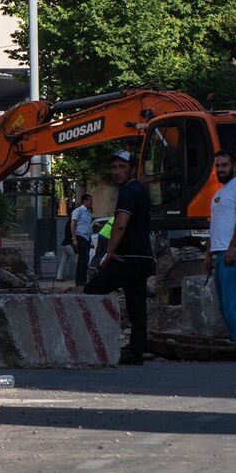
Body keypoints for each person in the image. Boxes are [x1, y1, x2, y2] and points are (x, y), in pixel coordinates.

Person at [85, 150, 153, 365]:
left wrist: (110, 252)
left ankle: (97, 344)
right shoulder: (140, 190)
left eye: (122, 167)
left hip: (126, 257)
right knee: (136, 305)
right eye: (114, 167)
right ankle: (136, 351)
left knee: (91, 291)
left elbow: (121, 223)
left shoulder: (128, 192)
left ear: (132, 169)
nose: (116, 172)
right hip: (143, 257)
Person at [202, 152, 236, 355]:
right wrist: (208, 254)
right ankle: (235, 339)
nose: (220, 169)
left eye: (224, 165)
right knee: (225, 299)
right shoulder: (220, 193)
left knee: (231, 297)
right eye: (217, 166)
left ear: (234, 166)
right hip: (220, 251)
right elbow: (216, 226)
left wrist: (232, 247)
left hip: (235, 251)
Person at [70, 193, 95, 287]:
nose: (92, 203)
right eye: (90, 200)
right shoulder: (78, 210)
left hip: (87, 238)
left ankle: (83, 281)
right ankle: (79, 282)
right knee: (82, 260)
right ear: (85, 201)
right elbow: (73, 224)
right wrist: (74, 238)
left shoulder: (88, 213)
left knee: (86, 259)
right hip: (80, 237)